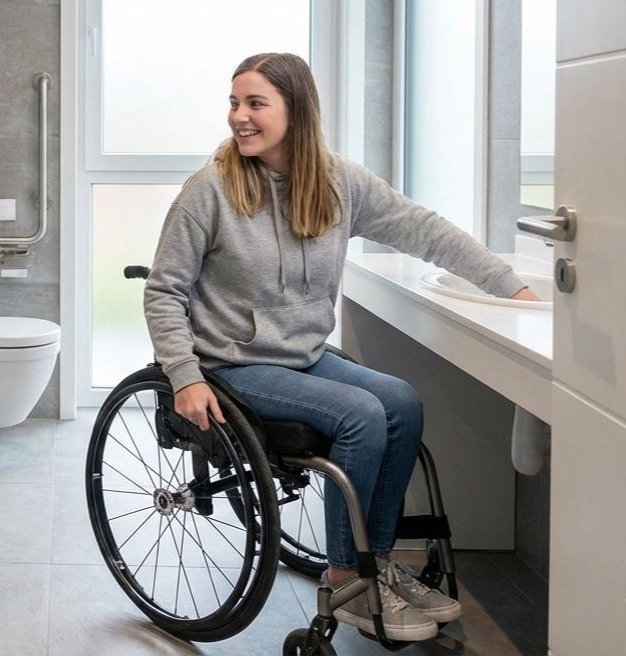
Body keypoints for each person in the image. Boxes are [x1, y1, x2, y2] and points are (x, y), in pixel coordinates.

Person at [143, 52, 538, 642]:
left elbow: (424, 230)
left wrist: (513, 287)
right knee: (359, 415)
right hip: (230, 363)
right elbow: (163, 291)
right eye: (234, 102)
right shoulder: (211, 190)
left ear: (296, 111)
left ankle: (373, 566)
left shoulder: (337, 182)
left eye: (255, 104)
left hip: (303, 355)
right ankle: (346, 575)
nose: (238, 118)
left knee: (400, 401)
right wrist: (184, 375)